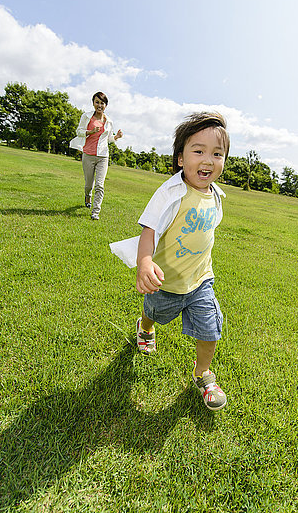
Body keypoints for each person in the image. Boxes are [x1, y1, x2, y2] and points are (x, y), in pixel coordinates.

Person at [110, 111, 230, 411]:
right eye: (198, 151)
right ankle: (145, 326)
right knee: (156, 312)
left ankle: (203, 373)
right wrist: (145, 262)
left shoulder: (216, 195)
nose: (207, 160)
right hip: (167, 280)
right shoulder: (170, 192)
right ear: (180, 159)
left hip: (201, 279)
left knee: (210, 327)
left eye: (217, 153)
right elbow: (149, 230)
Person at [70, 92, 122, 220]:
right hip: (88, 154)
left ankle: (95, 212)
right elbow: (78, 131)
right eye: (97, 102)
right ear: (93, 103)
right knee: (89, 184)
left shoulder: (109, 121)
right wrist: (90, 131)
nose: (99, 105)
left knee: (100, 185)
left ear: (106, 105)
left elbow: (109, 138)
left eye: (102, 103)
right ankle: (87, 196)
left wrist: (116, 137)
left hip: (103, 156)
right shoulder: (86, 117)